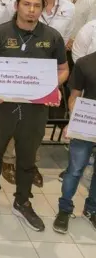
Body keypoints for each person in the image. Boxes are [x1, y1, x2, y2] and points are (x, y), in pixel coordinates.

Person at [0, 0, 69, 232]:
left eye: (37, 6)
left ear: (42, 8)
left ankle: (22, 201)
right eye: (27, 4)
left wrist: (52, 87)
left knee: (26, 157)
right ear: (17, 5)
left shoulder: (53, 36)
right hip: (2, 106)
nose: (32, 10)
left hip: (35, 108)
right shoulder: (0, 33)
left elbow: (63, 70)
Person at [52, 50, 96, 234]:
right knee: (74, 170)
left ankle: (91, 209)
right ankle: (64, 209)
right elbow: (74, 97)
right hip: (87, 124)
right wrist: (75, 121)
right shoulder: (86, 63)